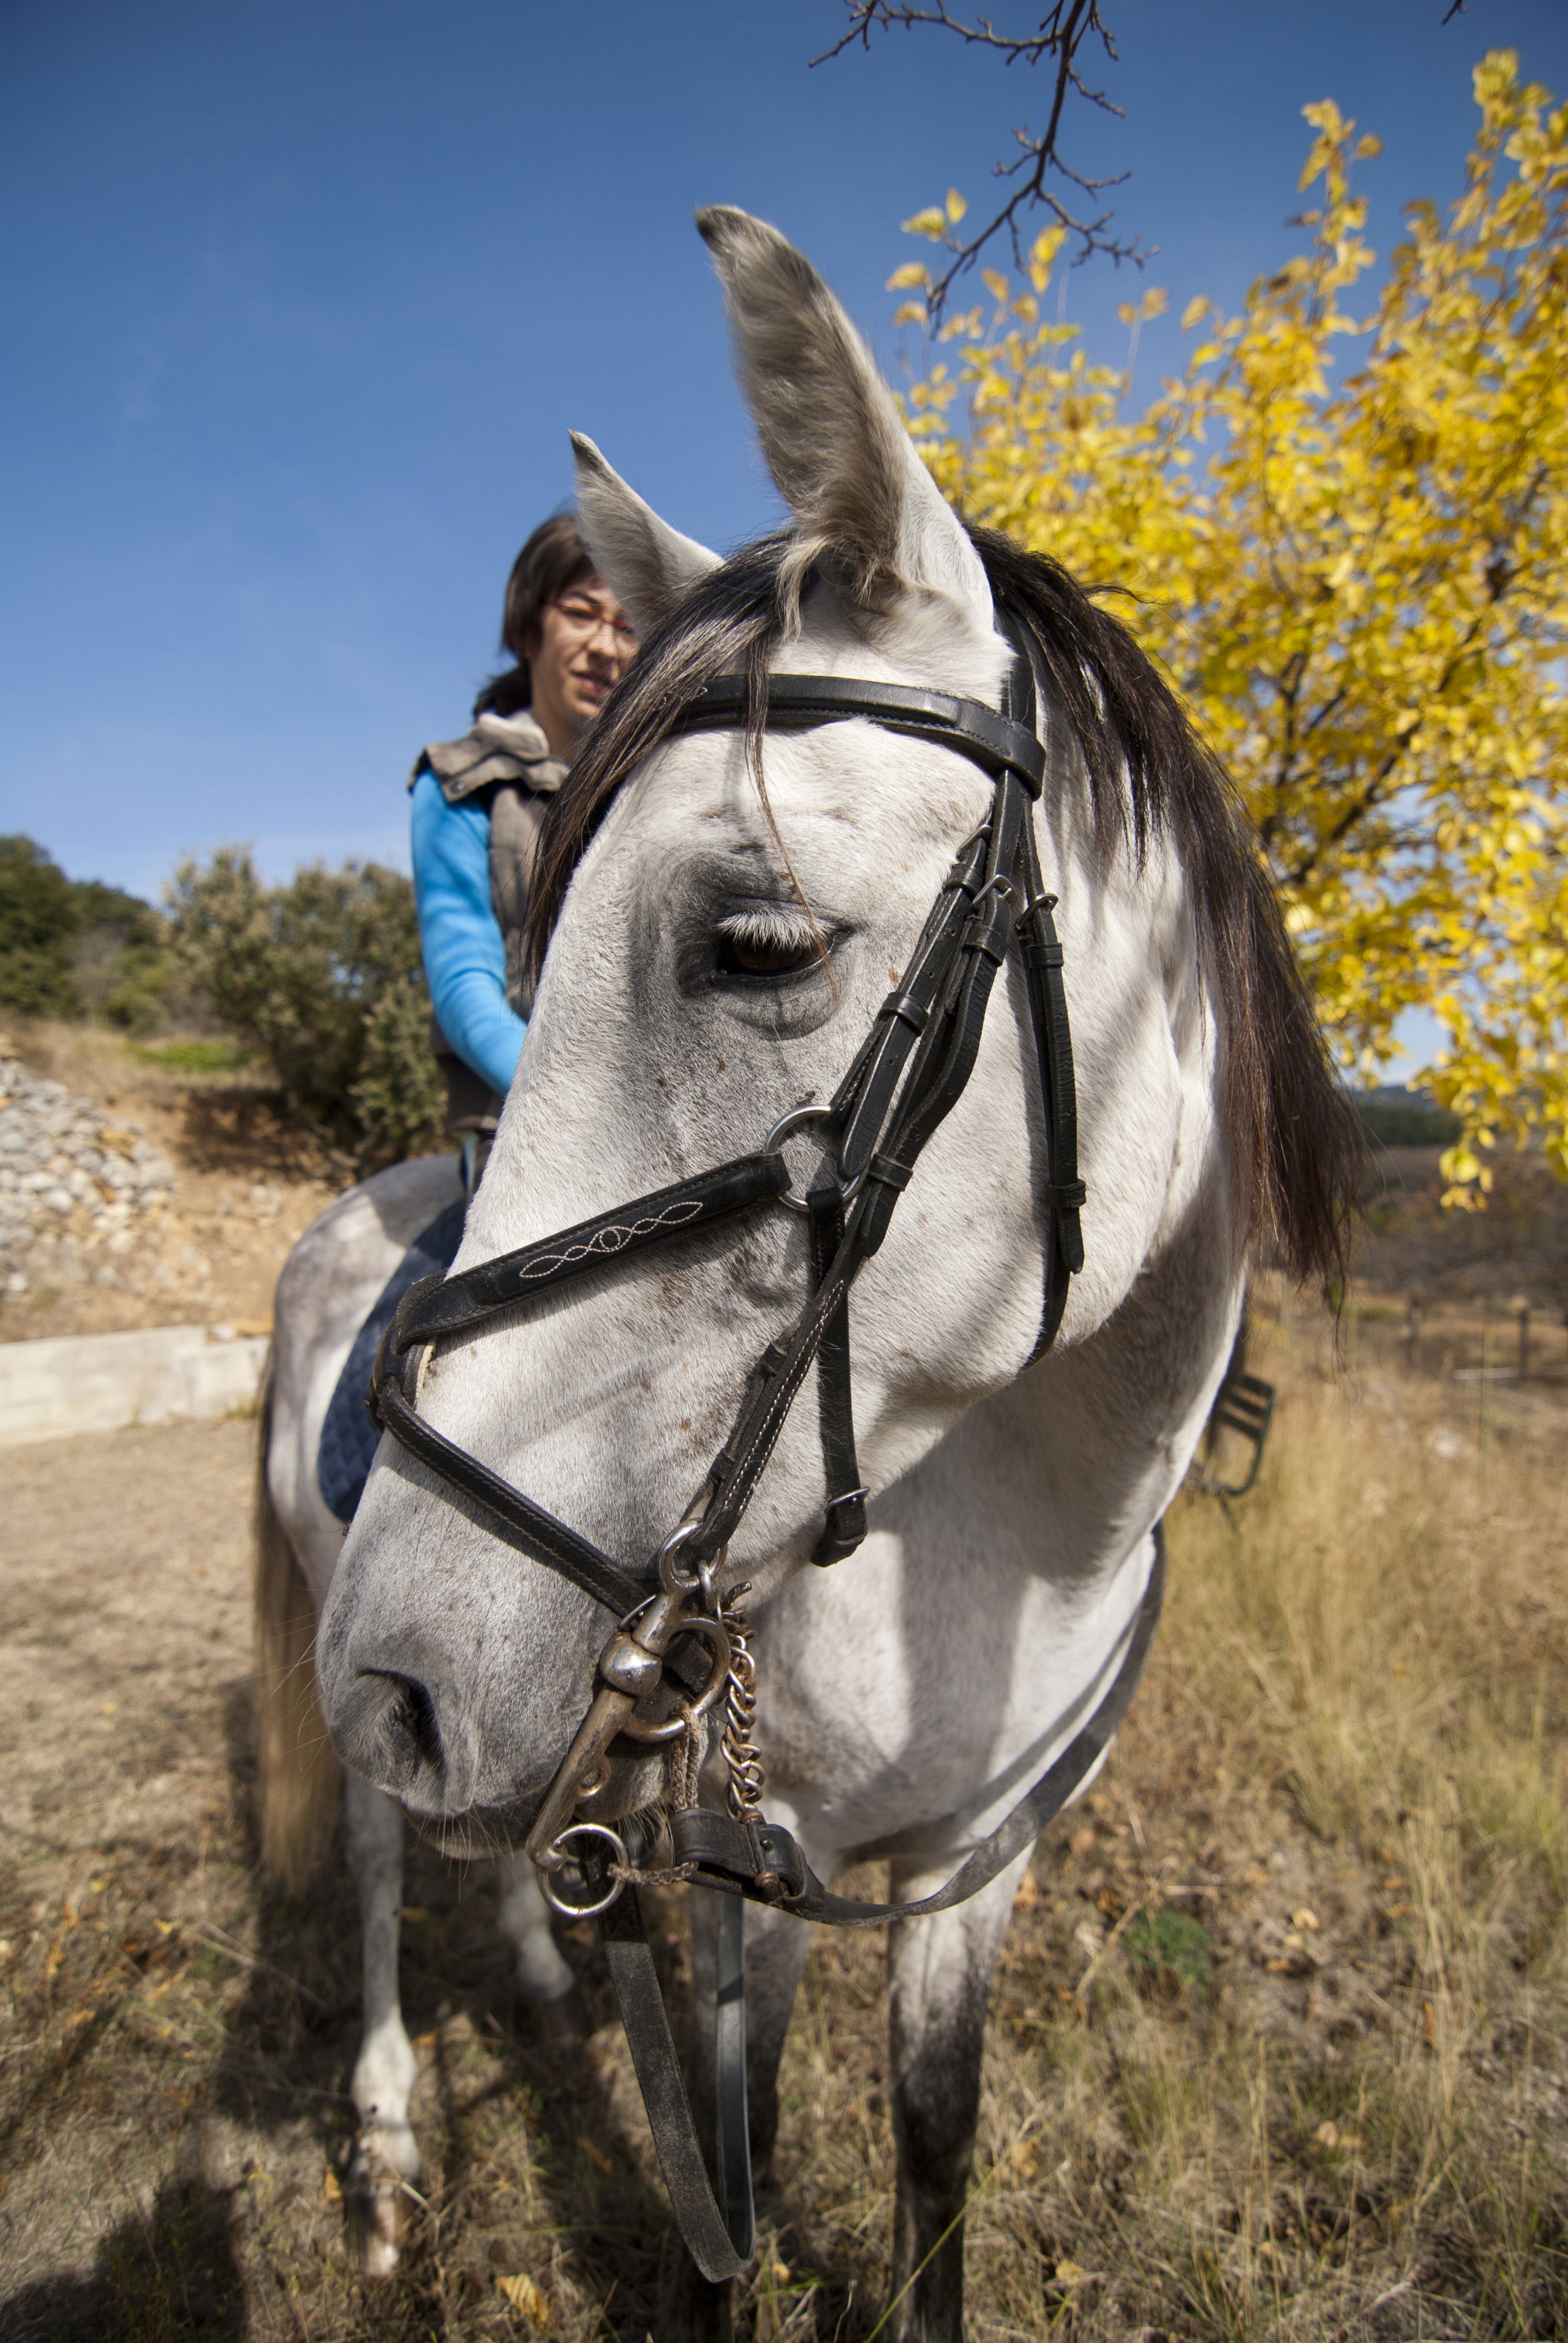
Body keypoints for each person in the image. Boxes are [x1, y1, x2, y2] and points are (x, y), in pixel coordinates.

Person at [409, 517, 637, 1188]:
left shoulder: (658, 782)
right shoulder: (459, 781)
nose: (605, 647)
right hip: (520, 1122)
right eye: (580, 613)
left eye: (628, 627)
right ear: (529, 624)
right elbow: (463, 982)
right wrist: (567, 1101)